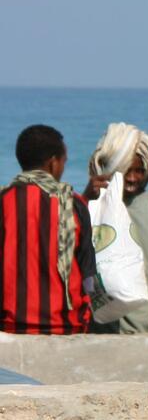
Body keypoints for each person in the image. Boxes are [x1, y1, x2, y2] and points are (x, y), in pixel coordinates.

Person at [84, 124, 148, 334]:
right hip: (106, 327)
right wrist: (86, 199)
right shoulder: (95, 205)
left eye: (140, 171)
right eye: (127, 170)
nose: (132, 178)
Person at [1, 125, 98, 335]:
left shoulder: (4, 201)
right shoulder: (73, 205)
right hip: (67, 328)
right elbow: (88, 277)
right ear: (53, 163)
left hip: (9, 328)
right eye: (64, 161)